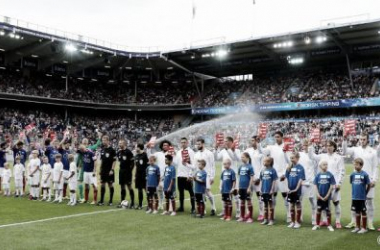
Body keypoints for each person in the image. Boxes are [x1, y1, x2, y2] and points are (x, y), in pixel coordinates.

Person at [343, 133, 378, 230]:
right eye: (361, 139)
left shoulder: (373, 152)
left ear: (367, 140)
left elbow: (375, 166)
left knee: (370, 201)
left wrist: (374, 179)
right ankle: (354, 221)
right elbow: (345, 151)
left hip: (368, 181)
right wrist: (345, 140)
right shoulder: (355, 149)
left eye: (364, 139)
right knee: (355, 201)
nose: (362, 141)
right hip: (357, 181)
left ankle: (370, 223)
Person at [308, 140, 345, 229]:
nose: (328, 147)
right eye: (327, 145)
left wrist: (339, 183)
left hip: (334, 184)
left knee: (336, 202)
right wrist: (310, 147)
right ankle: (324, 220)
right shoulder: (322, 156)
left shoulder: (339, 157)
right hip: (323, 184)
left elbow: (342, 171)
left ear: (334, 147)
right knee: (324, 203)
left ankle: (337, 221)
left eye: (330, 146)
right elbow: (312, 156)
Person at [260, 131, 291, 222]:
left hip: (282, 175)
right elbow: (262, 151)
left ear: (282, 137)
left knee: (285, 195)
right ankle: (271, 216)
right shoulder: (271, 147)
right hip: (272, 175)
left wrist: (285, 174)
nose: (276, 138)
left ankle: (289, 215)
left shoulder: (286, 147)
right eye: (275, 137)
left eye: (278, 137)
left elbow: (289, 162)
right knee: (272, 195)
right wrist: (259, 143)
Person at [215, 136, 241, 218]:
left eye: (226, 141)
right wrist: (216, 149)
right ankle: (224, 210)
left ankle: (238, 211)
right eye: (224, 141)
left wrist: (229, 150)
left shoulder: (237, 150)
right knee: (224, 193)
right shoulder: (223, 151)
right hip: (224, 176)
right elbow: (216, 158)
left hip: (233, 176)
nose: (224, 142)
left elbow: (236, 158)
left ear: (231, 142)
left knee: (235, 194)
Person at [76, 133, 102, 203]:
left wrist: (99, 137)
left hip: (91, 170)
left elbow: (97, 145)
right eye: (83, 142)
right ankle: (84, 198)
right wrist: (77, 166)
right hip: (83, 169)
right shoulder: (81, 151)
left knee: (93, 184)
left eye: (85, 142)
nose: (84, 143)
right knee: (85, 184)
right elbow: (77, 155)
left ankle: (94, 200)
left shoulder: (90, 150)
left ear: (87, 143)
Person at [146, 139, 172, 210]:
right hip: (158, 176)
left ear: (169, 146)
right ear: (161, 146)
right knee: (159, 191)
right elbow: (150, 157)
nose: (165, 146)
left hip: (167, 176)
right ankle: (160, 204)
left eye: (166, 145)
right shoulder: (158, 154)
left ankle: (169, 206)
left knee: (167, 192)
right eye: (164, 145)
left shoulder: (171, 154)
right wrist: (148, 149)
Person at [194, 138, 216, 215]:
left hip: (207, 176)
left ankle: (213, 207)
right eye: (197, 144)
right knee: (201, 193)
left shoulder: (209, 153)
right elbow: (195, 166)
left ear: (203, 144)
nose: (198, 145)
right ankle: (203, 210)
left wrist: (212, 177)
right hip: (198, 175)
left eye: (199, 144)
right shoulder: (196, 154)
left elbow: (213, 165)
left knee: (207, 192)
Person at [245, 136, 264, 221]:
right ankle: (249, 212)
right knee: (249, 196)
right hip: (249, 178)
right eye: (251, 140)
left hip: (257, 178)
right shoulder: (248, 151)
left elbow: (263, 166)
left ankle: (261, 213)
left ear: (257, 141)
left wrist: (259, 177)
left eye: (253, 141)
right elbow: (243, 159)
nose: (251, 142)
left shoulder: (261, 151)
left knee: (259, 196)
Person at [298, 139, 317, 225]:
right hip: (302, 181)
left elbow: (316, 168)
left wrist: (315, 180)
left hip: (311, 181)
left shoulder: (313, 156)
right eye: (304, 145)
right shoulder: (299, 155)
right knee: (300, 200)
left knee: (312, 201)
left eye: (307, 145)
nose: (305, 147)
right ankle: (300, 217)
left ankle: (314, 219)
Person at [312, 160, 335, 232]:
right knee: (318, 210)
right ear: (320, 166)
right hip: (319, 196)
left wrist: (328, 195)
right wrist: (318, 194)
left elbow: (331, 186)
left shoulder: (330, 175)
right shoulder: (318, 175)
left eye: (326, 164)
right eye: (324, 164)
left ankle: (329, 225)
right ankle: (317, 224)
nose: (326, 166)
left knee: (328, 210)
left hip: (327, 197)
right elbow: (315, 185)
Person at [350, 158, 371, 234]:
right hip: (354, 197)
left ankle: (364, 228)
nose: (355, 166)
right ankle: (357, 227)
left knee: (363, 211)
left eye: (356, 164)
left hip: (362, 197)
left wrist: (366, 193)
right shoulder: (352, 174)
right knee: (357, 212)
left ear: (361, 165)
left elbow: (369, 184)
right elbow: (352, 184)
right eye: (354, 164)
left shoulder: (365, 174)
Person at [285, 152, 305, 229]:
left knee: (298, 204)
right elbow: (287, 178)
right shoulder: (289, 167)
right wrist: (287, 188)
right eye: (291, 158)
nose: (291, 159)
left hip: (297, 190)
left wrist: (296, 188)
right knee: (292, 205)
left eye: (293, 158)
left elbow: (300, 179)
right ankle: (292, 222)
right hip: (290, 190)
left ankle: (298, 222)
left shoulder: (300, 167)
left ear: (297, 158)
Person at [176, 137, 196, 214]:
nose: (183, 144)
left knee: (191, 192)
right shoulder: (178, 152)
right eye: (182, 142)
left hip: (187, 175)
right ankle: (181, 207)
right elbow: (176, 163)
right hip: (180, 175)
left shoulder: (190, 152)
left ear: (187, 143)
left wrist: (190, 175)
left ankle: (193, 208)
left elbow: (193, 165)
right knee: (181, 192)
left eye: (184, 142)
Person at [98, 135, 116, 206]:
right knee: (102, 184)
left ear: (108, 141)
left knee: (110, 184)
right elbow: (102, 160)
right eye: (102, 140)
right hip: (103, 170)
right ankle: (101, 201)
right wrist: (100, 169)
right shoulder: (102, 149)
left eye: (104, 140)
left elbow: (114, 161)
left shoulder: (112, 150)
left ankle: (110, 201)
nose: (103, 142)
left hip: (109, 170)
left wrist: (112, 170)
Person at [116, 139, 135, 208]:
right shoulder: (119, 152)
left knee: (129, 186)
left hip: (128, 172)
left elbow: (133, 163)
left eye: (120, 143)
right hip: (121, 171)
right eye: (119, 143)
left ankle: (132, 203)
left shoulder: (129, 152)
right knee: (122, 186)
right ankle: (122, 201)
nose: (119, 144)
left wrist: (130, 171)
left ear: (124, 144)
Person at [260, 157, 278, 226]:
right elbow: (261, 180)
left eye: (265, 161)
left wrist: (272, 189)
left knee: (271, 205)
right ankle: (265, 219)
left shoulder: (273, 170)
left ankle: (271, 220)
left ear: (270, 162)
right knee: (265, 205)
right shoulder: (262, 170)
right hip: (264, 190)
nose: (264, 163)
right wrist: (261, 189)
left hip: (269, 191)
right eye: (263, 161)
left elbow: (274, 181)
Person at [237, 152, 255, 223]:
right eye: (241, 157)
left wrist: (249, 187)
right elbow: (239, 177)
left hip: (247, 187)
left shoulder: (250, 167)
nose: (242, 158)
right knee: (242, 202)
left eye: (243, 157)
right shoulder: (240, 167)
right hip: (241, 187)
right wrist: (238, 187)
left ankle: (250, 217)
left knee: (249, 202)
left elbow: (251, 178)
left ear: (247, 158)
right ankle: (242, 217)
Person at [134, 143, 149, 209]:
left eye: (136, 147)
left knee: (146, 190)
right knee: (139, 190)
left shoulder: (145, 155)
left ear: (139, 148)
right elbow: (136, 166)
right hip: (138, 175)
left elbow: (148, 165)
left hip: (144, 175)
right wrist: (135, 176)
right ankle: (140, 205)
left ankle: (150, 205)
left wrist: (147, 175)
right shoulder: (136, 156)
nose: (135, 148)